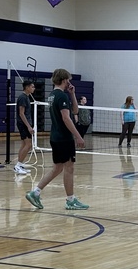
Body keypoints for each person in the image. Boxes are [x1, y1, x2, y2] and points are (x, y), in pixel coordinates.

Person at [25, 69, 88, 210]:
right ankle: (70, 200)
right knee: (69, 168)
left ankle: (35, 192)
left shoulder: (52, 95)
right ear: (65, 80)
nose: (69, 82)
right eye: (68, 80)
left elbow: (75, 111)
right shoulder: (61, 96)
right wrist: (78, 136)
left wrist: (72, 94)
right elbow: (66, 118)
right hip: (64, 138)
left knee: (57, 168)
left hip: (55, 137)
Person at [14, 79, 35, 174]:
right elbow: (21, 113)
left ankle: (20, 165)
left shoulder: (26, 97)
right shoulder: (22, 97)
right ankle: (18, 165)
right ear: (27, 87)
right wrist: (28, 126)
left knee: (23, 144)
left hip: (25, 124)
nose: (34, 88)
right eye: (32, 87)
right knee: (28, 144)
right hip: (23, 124)